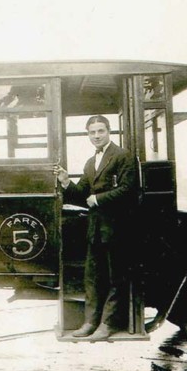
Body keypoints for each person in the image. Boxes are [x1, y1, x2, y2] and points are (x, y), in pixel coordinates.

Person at [55, 115, 138, 339]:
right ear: (88, 135)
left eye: (100, 131)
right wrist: (65, 182)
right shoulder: (91, 162)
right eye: (92, 132)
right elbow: (82, 193)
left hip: (118, 228)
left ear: (108, 131)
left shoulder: (123, 156)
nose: (96, 136)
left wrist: (98, 199)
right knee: (92, 277)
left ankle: (108, 325)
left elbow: (129, 189)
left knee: (115, 278)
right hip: (96, 229)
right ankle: (90, 323)